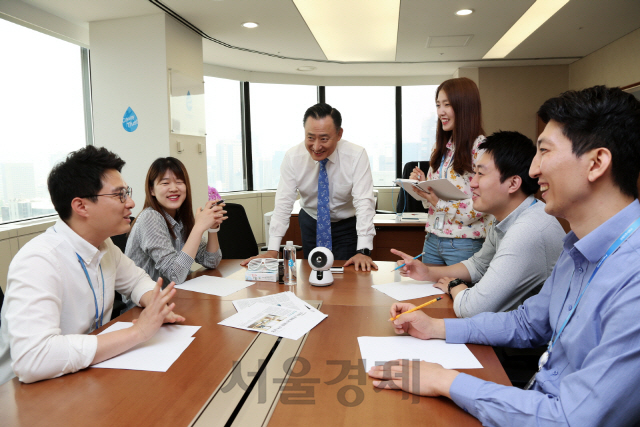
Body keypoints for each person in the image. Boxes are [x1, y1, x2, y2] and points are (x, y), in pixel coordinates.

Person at [368, 86, 640, 426]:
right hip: (534, 394)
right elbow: (527, 322)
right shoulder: (577, 247)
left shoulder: (633, 276)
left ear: (597, 163)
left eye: (544, 152)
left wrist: (444, 380)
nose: (534, 170)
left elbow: (570, 420)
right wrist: (436, 326)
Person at [0, 146, 184, 385]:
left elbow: (137, 281)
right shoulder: (38, 260)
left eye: (127, 192)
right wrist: (138, 333)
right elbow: (33, 359)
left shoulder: (104, 246)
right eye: (119, 195)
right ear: (81, 206)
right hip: (30, 395)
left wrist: (155, 306)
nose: (131, 203)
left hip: (86, 375)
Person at [393, 131, 565, 317]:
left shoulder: (528, 230)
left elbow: (471, 308)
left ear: (513, 183)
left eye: (481, 174)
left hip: (531, 341)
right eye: (474, 173)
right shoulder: (506, 216)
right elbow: (478, 265)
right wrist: (427, 272)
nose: (473, 183)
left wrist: (454, 286)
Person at [241, 103, 377, 271]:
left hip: (346, 225)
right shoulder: (293, 157)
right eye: (310, 137)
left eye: (324, 139)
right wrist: (272, 250)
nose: (317, 146)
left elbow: (364, 202)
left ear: (339, 134)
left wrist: (363, 250)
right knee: (313, 273)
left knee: (346, 276)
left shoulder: (356, 155)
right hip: (311, 222)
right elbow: (284, 202)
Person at [410, 77, 490, 265]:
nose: (440, 112)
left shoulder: (481, 148)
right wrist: (423, 186)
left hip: (463, 242)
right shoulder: (441, 148)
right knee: (426, 294)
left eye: (447, 104)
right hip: (433, 238)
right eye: (438, 105)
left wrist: (439, 202)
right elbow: (432, 201)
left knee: (459, 294)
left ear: (465, 107)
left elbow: (483, 204)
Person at [125, 157, 225, 285]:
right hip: (146, 302)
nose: (173, 188)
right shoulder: (150, 217)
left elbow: (211, 261)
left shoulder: (181, 218)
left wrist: (212, 228)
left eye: (179, 182)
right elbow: (175, 275)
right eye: (165, 183)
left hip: (175, 295)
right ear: (152, 190)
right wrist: (199, 227)